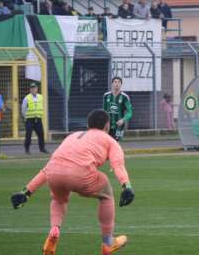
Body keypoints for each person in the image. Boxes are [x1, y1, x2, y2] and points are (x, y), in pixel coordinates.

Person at [10, 109, 134, 255]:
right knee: (106, 191)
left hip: (55, 174)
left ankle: (54, 231)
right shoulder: (110, 141)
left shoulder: (72, 136)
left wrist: (26, 192)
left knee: (58, 199)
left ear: (88, 125)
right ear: (107, 126)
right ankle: (108, 242)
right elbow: (117, 165)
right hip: (81, 175)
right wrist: (126, 186)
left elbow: (48, 168)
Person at [21, 82, 48, 154]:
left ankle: (42, 149)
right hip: (29, 119)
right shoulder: (27, 98)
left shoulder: (40, 97)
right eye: (32, 88)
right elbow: (23, 108)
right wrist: (25, 117)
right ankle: (27, 149)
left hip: (38, 119)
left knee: (41, 134)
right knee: (28, 134)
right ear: (30, 89)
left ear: (37, 89)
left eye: (35, 88)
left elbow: (42, 106)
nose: (33, 89)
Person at [103, 77, 133, 141]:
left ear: (121, 84)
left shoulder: (124, 97)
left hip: (119, 126)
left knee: (117, 143)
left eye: (119, 82)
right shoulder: (106, 96)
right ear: (112, 84)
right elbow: (104, 111)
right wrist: (104, 122)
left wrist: (123, 120)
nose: (117, 84)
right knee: (107, 143)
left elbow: (130, 112)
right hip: (108, 125)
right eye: (115, 82)